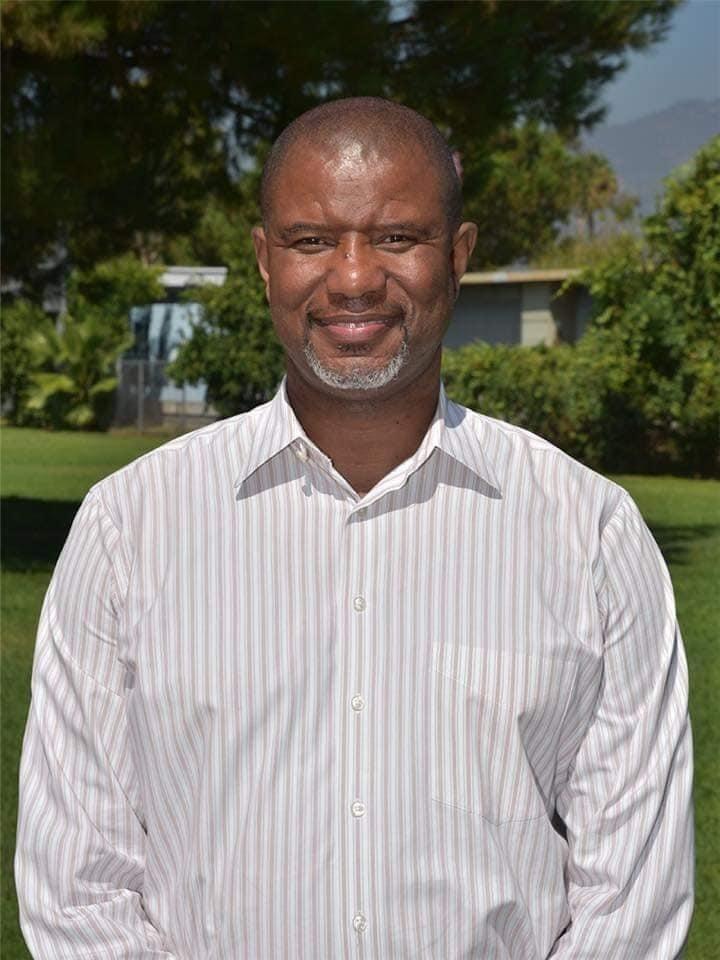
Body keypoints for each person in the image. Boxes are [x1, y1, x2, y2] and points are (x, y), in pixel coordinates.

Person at [16, 97, 693, 959]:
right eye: (310, 240)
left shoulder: (590, 535)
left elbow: (629, 901)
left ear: (458, 255)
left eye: (398, 237)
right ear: (265, 261)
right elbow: (78, 885)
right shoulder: (128, 530)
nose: (354, 278)